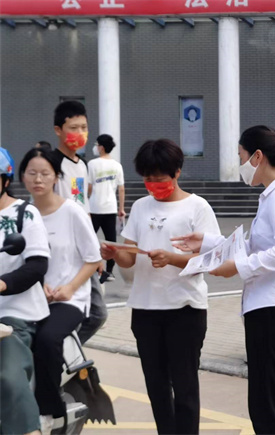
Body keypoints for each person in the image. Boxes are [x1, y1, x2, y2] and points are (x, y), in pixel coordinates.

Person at [172, 125, 275, 435]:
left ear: (258, 156)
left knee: (266, 406)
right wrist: (208, 242)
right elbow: (257, 247)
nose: (241, 164)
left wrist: (238, 267)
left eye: (241, 156)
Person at [100, 139, 220, 434]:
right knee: (156, 387)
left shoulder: (197, 207)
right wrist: (115, 254)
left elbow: (211, 261)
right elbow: (129, 257)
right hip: (145, 310)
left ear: (177, 171)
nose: (153, 184)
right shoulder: (141, 206)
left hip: (185, 309)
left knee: (185, 386)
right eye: (148, 178)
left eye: (159, 178)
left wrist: (172, 259)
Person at [20, 147, 102, 434]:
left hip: (69, 300)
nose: (38, 179)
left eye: (45, 173)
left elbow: (93, 259)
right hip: (30, 297)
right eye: (32, 173)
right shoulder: (22, 213)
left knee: (47, 338)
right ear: (22, 176)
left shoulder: (72, 211)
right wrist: (36, 284)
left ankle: (48, 411)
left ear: (56, 177)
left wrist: (69, 288)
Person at [0, 147, 50, 435]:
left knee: (7, 376)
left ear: (5, 181)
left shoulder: (24, 213)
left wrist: (3, 283)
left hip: (15, 317)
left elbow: (37, 266)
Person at [51, 100, 107, 344]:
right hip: (61, 252)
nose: (80, 134)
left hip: (83, 251)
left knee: (96, 315)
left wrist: (94, 248)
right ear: (58, 130)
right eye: (73, 128)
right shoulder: (51, 164)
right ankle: (58, 354)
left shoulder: (82, 165)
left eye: (84, 128)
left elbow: (82, 208)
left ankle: (61, 354)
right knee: (72, 313)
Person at [88, 134, 125, 282]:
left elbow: (89, 186)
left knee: (90, 239)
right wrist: (121, 208)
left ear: (101, 147)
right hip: (110, 208)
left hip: (94, 207)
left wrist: (86, 201)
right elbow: (121, 189)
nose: (95, 147)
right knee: (111, 241)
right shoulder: (117, 165)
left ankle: (95, 269)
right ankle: (109, 272)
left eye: (97, 145)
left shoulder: (92, 164)